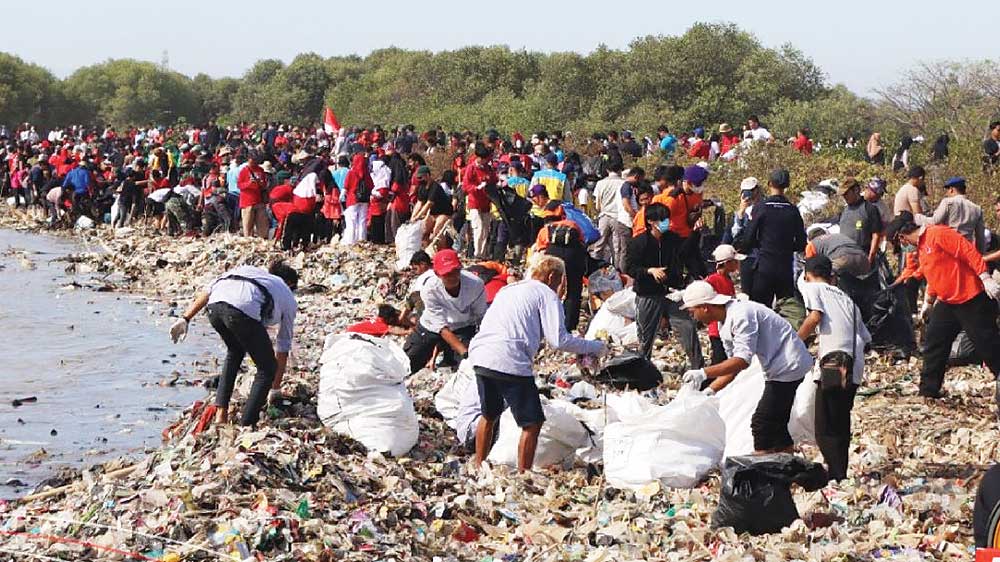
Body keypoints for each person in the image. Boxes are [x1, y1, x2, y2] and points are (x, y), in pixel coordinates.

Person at [469, 255, 606, 472]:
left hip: (482, 355)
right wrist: (595, 347)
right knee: (532, 423)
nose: (562, 287)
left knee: (489, 414)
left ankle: (478, 466)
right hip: (510, 359)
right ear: (552, 276)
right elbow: (559, 340)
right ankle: (524, 474)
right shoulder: (546, 294)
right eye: (562, 281)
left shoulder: (509, 289)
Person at [680, 281, 813, 453]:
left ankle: (761, 470)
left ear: (705, 307)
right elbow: (733, 366)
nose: (694, 317)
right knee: (777, 422)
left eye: (693, 312)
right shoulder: (724, 324)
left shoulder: (741, 314)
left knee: (761, 423)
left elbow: (742, 360)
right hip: (778, 366)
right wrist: (710, 391)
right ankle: (787, 464)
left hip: (789, 365)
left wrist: (703, 373)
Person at [888, 212, 1000, 406]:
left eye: (900, 243)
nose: (904, 247)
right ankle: (929, 390)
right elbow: (935, 275)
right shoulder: (922, 248)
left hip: (970, 297)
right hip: (948, 302)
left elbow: (968, 252)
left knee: (987, 345)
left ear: (902, 236)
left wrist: (985, 277)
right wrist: (929, 303)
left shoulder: (938, 234)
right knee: (934, 341)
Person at [169, 262, 298, 426]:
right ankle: (247, 423)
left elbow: (209, 290)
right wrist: (275, 388)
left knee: (235, 351)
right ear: (290, 284)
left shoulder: (250, 271)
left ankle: (220, 415)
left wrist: (186, 318)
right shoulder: (286, 294)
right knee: (267, 368)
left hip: (214, 309)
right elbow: (283, 345)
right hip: (241, 311)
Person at [796, 256, 871, 481]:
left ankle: (836, 474)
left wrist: (792, 342)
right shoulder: (847, 299)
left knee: (824, 425)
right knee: (840, 421)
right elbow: (866, 338)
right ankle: (840, 471)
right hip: (854, 365)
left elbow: (815, 316)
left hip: (833, 364)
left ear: (808, 274)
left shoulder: (814, 288)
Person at [627, 203, 703, 368]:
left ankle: (699, 367)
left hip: (671, 291)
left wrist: (696, 233)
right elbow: (630, 268)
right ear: (650, 222)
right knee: (646, 335)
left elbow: (684, 252)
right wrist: (649, 271)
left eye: (667, 219)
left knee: (687, 328)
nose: (666, 223)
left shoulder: (672, 239)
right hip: (648, 294)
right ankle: (643, 369)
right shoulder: (638, 243)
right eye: (662, 219)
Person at [403, 249, 488, 374]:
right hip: (431, 327)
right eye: (447, 274)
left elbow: (480, 316)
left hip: (462, 326)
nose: (452, 277)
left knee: (465, 370)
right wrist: (465, 353)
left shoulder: (475, 285)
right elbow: (441, 328)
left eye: (455, 271)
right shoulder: (430, 289)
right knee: (407, 362)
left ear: (460, 269)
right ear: (437, 274)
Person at [735, 169, 806, 307]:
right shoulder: (792, 210)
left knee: (760, 310)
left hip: (764, 267)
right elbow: (801, 243)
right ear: (787, 185)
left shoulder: (761, 208)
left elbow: (748, 239)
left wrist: (750, 246)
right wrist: (786, 247)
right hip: (785, 268)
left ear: (769, 184)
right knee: (786, 311)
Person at [533, 201, 587, 331]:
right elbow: (583, 242)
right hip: (573, 258)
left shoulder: (544, 231)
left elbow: (540, 251)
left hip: (553, 259)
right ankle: (569, 326)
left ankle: (550, 325)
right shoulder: (573, 225)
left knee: (550, 292)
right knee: (573, 292)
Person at [924, 176, 986, 253]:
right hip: (967, 250)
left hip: (949, 247)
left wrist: (917, 218)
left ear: (951, 190)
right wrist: (980, 255)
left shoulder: (948, 202)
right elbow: (980, 237)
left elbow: (934, 221)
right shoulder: (977, 208)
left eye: (947, 190)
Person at [705, 244, 744, 365]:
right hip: (717, 329)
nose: (738, 264)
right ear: (727, 263)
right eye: (735, 261)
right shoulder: (713, 279)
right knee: (719, 362)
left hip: (726, 328)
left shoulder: (728, 280)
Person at [724, 176, 762, 297]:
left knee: (761, 293)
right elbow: (735, 234)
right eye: (745, 191)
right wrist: (740, 214)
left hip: (762, 254)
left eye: (751, 191)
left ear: (757, 190)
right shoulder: (741, 212)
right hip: (746, 255)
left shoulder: (764, 207)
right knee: (747, 292)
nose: (748, 194)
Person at [462, 144, 498, 259]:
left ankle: (483, 254)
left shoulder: (488, 168)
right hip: (474, 203)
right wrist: (475, 188)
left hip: (486, 203)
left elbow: (494, 179)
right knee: (478, 228)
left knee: (486, 230)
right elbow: (465, 185)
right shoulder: (471, 168)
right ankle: (477, 254)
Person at [837, 178, 883, 265]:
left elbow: (876, 235)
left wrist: (870, 257)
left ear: (856, 190)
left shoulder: (869, 209)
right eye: (843, 194)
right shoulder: (844, 210)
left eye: (847, 193)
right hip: (846, 258)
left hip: (863, 257)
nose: (845, 197)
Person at [591, 159, 626, 268]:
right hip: (618, 217)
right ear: (620, 170)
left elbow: (597, 204)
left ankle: (593, 268)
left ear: (607, 170)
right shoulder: (623, 183)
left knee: (598, 245)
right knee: (616, 248)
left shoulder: (601, 183)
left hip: (604, 216)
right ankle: (617, 271)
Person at [341, 153, 373, 245]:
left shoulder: (351, 172)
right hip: (364, 200)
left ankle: (351, 240)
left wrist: (342, 197)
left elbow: (345, 187)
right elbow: (371, 186)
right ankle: (361, 239)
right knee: (362, 220)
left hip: (353, 199)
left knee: (351, 220)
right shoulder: (367, 174)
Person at [237, 151, 269, 238]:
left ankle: (263, 238)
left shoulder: (260, 170)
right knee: (247, 225)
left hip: (259, 200)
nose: (254, 162)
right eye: (252, 160)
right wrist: (249, 184)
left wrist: (261, 183)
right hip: (247, 201)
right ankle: (247, 239)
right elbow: (239, 185)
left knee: (262, 224)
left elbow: (264, 184)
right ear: (249, 159)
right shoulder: (244, 171)